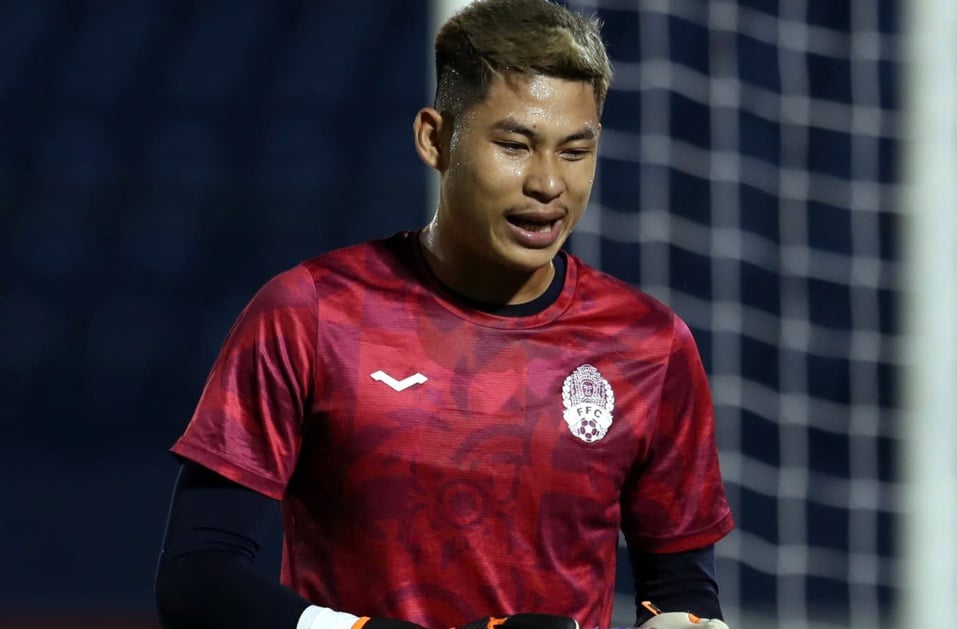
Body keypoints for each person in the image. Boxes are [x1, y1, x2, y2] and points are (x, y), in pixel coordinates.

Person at [153, 1, 733, 628]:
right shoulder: (311, 313)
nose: (548, 182)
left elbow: (679, 594)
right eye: (514, 144)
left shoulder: (649, 345)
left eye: (575, 150)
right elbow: (199, 578)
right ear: (435, 138)